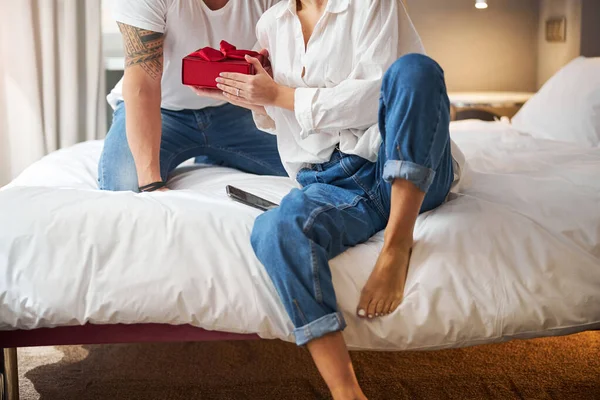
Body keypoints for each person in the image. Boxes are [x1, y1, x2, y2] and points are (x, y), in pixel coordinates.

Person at [201, 0, 466, 398]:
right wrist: (251, 95)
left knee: (416, 70)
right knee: (276, 229)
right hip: (332, 181)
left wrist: (281, 94)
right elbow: (283, 121)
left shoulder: (373, 4)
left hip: (398, 157)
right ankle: (346, 391)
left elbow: (374, 96)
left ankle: (397, 244)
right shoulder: (272, 23)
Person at [98, 0, 287, 193]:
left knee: (310, 169)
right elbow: (144, 83)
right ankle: (214, 152)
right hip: (161, 109)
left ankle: (214, 154)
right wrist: (152, 184)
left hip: (235, 106)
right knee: (126, 189)